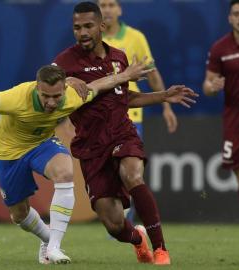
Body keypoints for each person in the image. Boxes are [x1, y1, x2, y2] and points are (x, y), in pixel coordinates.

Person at [0, 64, 194, 264]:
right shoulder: (15, 97)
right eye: (46, 96)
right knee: (19, 214)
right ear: (36, 88)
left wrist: (127, 74)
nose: (52, 103)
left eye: (56, 96)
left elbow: (102, 84)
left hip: (41, 146)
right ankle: (46, 238)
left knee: (66, 170)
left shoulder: (71, 96)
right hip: (10, 153)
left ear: (64, 88)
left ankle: (54, 247)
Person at [53, 2, 196, 265]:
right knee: (114, 224)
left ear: (102, 26)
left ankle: (161, 249)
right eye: (77, 27)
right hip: (91, 147)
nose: (82, 32)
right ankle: (137, 240)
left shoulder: (119, 57)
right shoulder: (64, 62)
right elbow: (45, 88)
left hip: (122, 133)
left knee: (132, 175)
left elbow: (124, 97)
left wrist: (162, 96)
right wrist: (65, 82)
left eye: (88, 26)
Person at [97, 0, 178, 223]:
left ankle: (127, 219)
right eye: (102, 5)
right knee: (106, 173)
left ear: (119, 9)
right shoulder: (92, 39)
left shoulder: (135, 37)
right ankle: (118, 219)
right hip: (100, 114)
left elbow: (151, 73)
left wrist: (166, 106)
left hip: (129, 112)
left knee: (129, 169)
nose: (107, 9)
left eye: (111, 4)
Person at [203, 0, 239, 222]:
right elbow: (207, 86)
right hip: (235, 123)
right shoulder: (220, 48)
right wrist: (212, 88)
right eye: (237, 14)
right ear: (230, 18)